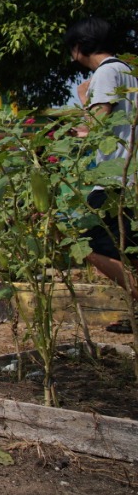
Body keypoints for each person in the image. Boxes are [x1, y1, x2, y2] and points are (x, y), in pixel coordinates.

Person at [67, 17, 138, 332]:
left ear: (78, 47)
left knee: (85, 241)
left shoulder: (106, 72)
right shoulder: (127, 72)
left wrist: (76, 126)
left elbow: (95, 126)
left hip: (113, 179)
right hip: (128, 174)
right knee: (129, 248)